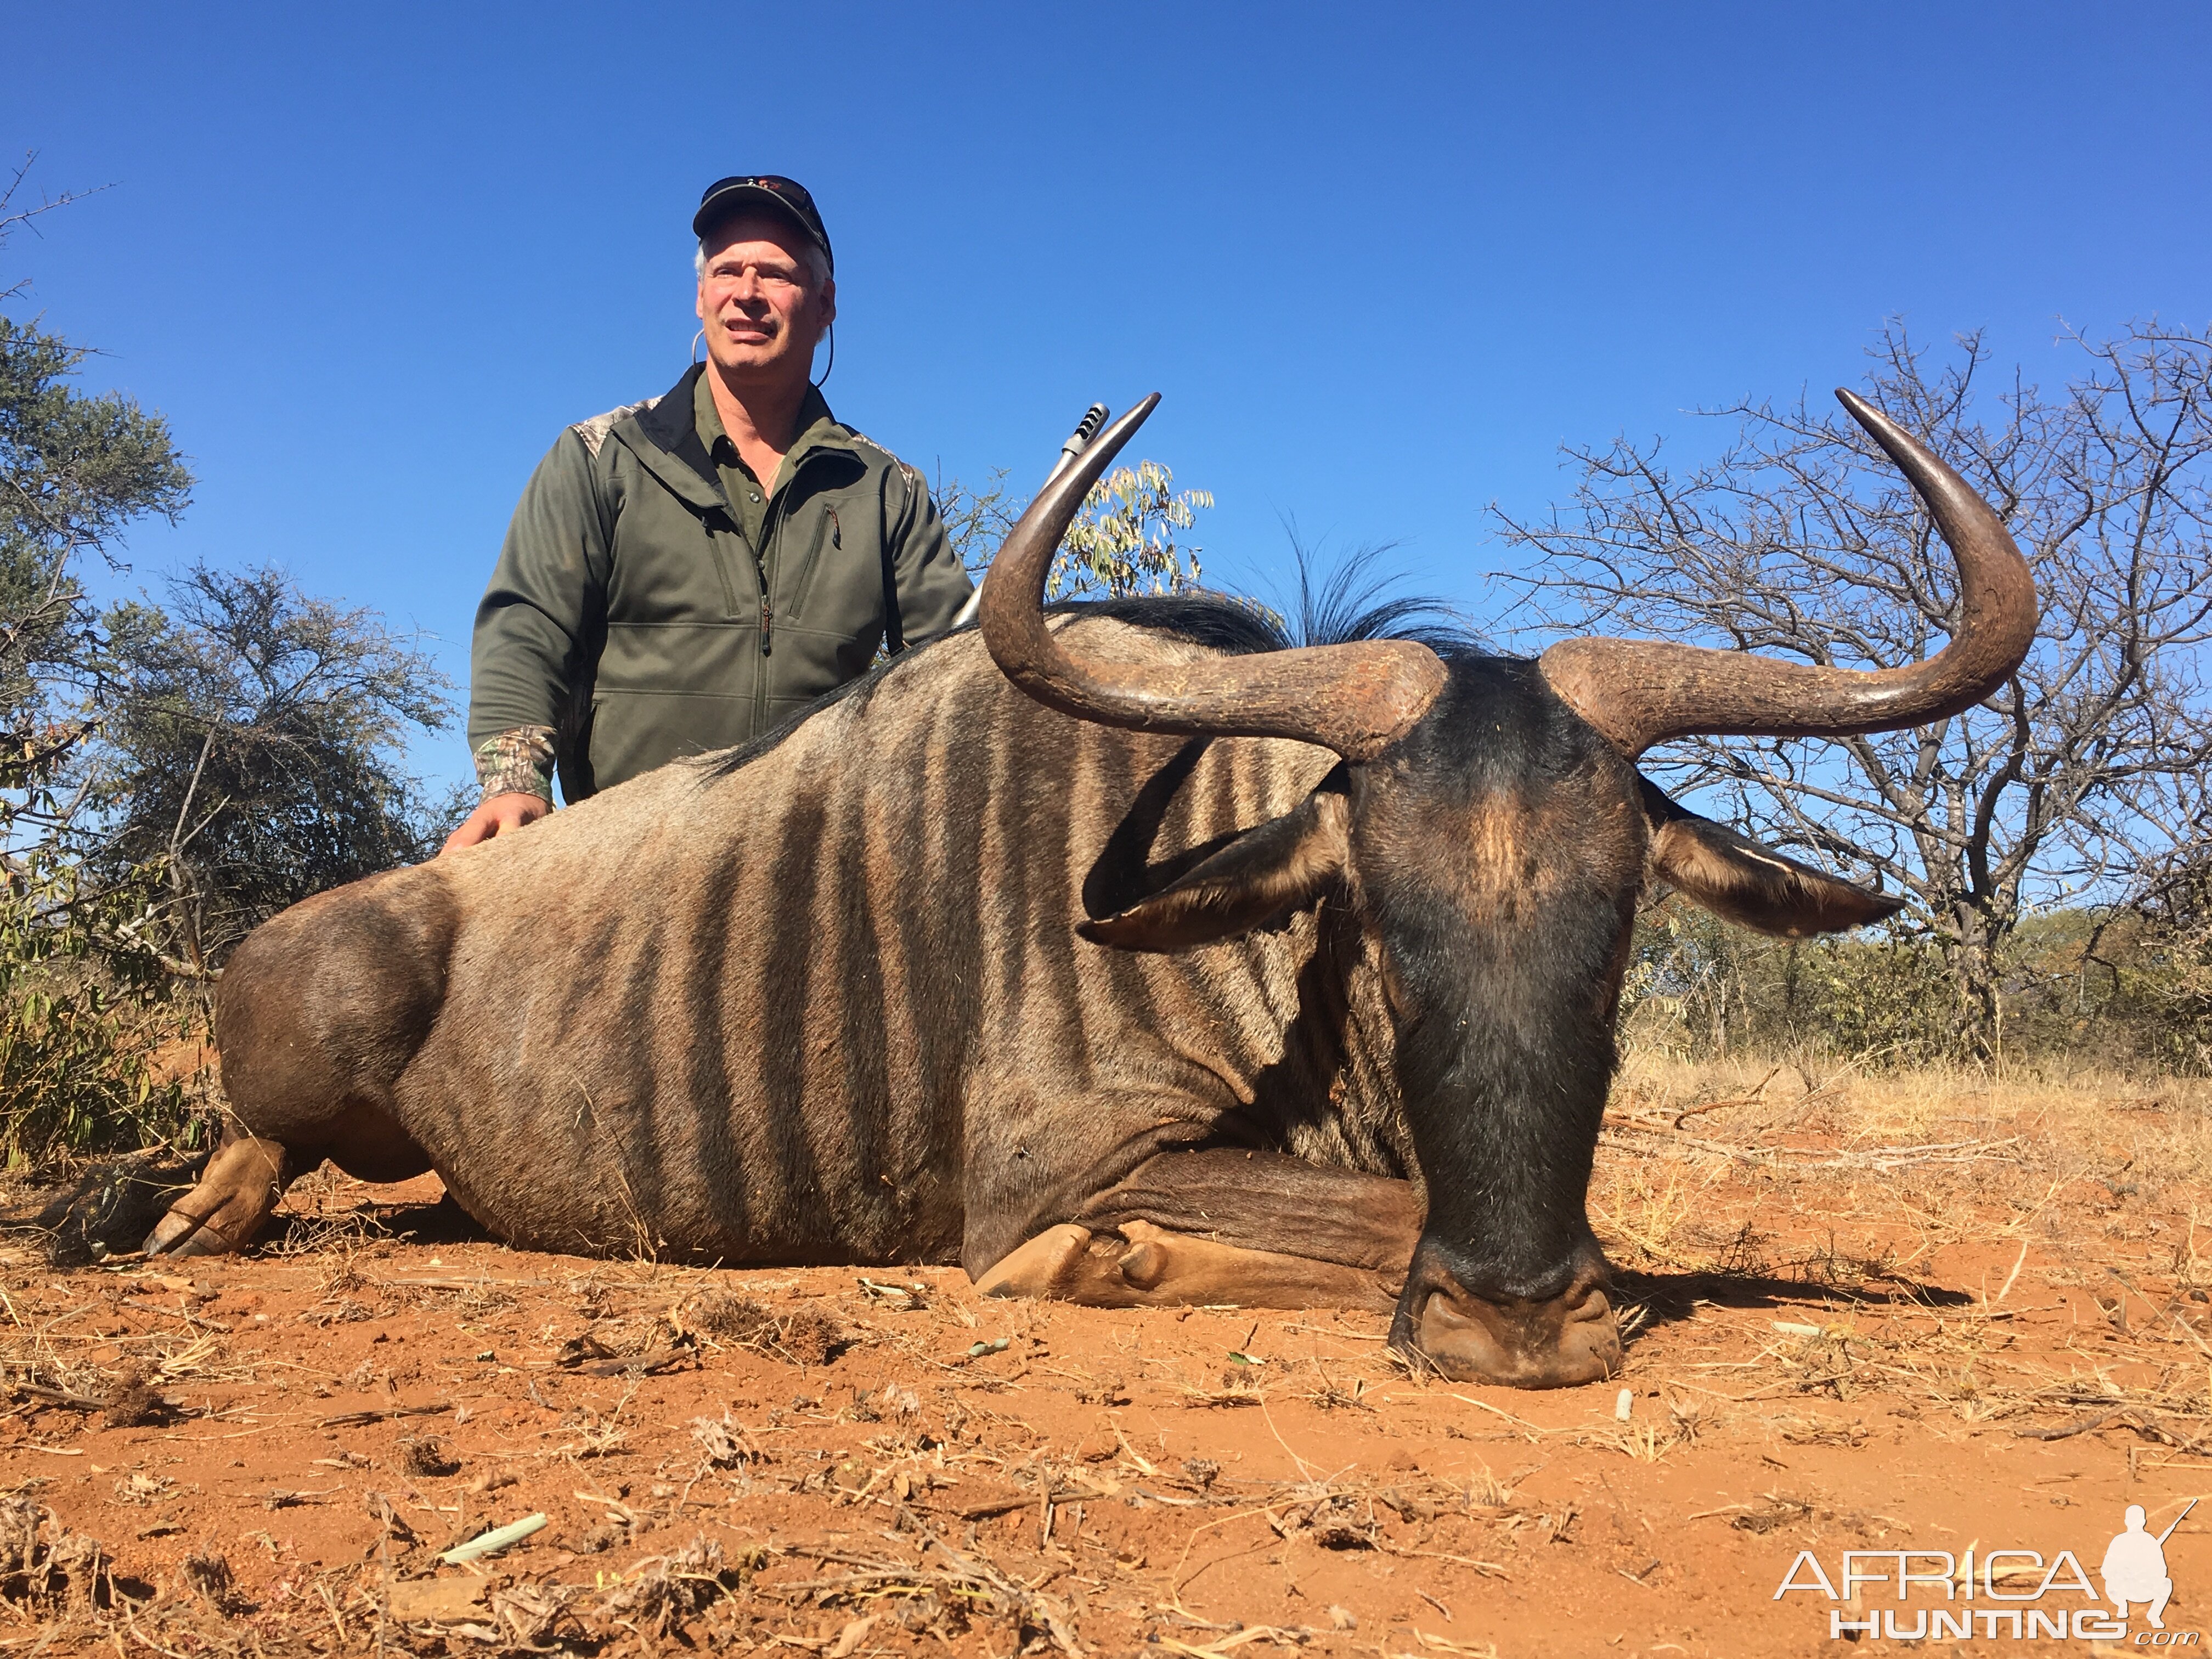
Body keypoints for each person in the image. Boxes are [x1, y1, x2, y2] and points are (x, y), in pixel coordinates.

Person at [445, 174, 972, 852]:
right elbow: (527, 625)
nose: (747, 293)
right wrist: (514, 783)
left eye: (776, 274)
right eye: (727, 269)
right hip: (621, 857)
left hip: (810, 868)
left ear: (825, 303)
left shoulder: (885, 487)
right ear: (700, 296)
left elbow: (955, 667)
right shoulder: (600, 456)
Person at [2101, 1504, 2173, 1628]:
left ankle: (2122, 1606)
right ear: (2144, 1522)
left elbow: (2106, 1571)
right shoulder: (2150, 1541)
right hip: (2146, 1592)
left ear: (2126, 1522)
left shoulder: (2118, 1541)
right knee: (2167, 1583)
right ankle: (2154, 1615)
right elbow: (2163, 1571)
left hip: (2122, 1590)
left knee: (2110, 1582)